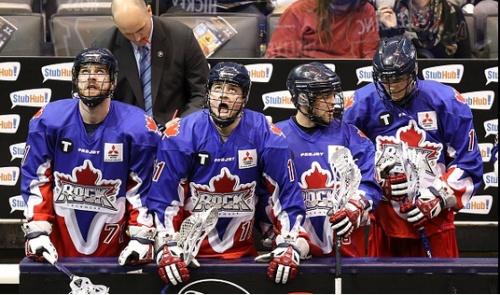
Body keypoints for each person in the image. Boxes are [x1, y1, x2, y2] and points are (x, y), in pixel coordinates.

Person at [147, 62, 310, 286]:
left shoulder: (266, 133)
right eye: (217, 88)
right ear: (208, 93)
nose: (223, 96)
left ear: (244, 97)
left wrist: (289, 242)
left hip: (245, 258)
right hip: (188, 258)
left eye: (233, 90)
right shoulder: (181, 134)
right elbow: (164, 197)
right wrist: (165, 243)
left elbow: (285, 194)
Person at [342, 36, 483, 258]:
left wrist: (438, 195)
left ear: (414, 71)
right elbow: (345, 163)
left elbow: (469, 161)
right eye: (385, 80)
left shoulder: (447, 101)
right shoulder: (361, 104)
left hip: (436, 226)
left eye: (398, 79)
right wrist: (378, 181)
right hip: (384, 225)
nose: (391, 87)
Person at [20, 48, 161, 265]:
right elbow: (37, 178)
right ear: (75, 79)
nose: (91, 77)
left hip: (118, 251)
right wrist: (37, 230)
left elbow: (142, 188)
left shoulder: (139, 128)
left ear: (113, 82)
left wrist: (141, 236)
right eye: (85, 71)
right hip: (57, 250)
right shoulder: (48, 120)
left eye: (100, 71)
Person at [275, 62, 382, 257]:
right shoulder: (276, 137)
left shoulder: (351, 136)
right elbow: (267, 196)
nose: (333, 101)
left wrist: (357, 206)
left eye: (333, 94)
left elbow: (370, 183)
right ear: (303, 98)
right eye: (325, 96)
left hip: (347, 253)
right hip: (294, 254)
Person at [92, 0, 209, 129]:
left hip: (176, 129)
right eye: (128, 33)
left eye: (141, 29)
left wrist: (184, 122)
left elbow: (201, 90)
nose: (137, 38)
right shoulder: (104, 48)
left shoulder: (181, 37)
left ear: (149, 11)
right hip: (127, 131)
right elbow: (102, 100)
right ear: (114, 22)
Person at [265, 0, 380, 58]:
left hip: (352, 85)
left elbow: (370, 57)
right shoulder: (299, 10)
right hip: (308, 86)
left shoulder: (366, 10)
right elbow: (279, 61)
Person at [372, 0, 471, 58]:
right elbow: (388, 60)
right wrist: (392, 31)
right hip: (404, 83)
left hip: (445, 81)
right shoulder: (391, 13)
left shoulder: (451, 13)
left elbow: (465, 60)